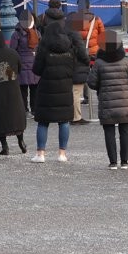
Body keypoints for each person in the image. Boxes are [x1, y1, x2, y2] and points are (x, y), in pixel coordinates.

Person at [87, 29, 128, 170]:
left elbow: (91, 83)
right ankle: (125, 161)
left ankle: (113, 162)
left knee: (109, 132)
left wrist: (101, 86)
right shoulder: (126, 61)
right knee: (125, 132)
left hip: (106, 102)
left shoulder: (98, 63)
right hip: (125, 101)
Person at [31, 18, 78, 163]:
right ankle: (62, 153)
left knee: (43, 122)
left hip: (46, 88)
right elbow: (74, 69)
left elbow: (36, 70)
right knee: (64, 121)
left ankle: (40, 154)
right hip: (64, 88)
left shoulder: (44, 49)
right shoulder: (70, 49)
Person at [66, 0, 104, 116]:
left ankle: (86, 96)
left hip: (80, 52)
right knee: (98, 75)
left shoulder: (74, 20)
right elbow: (102, 36)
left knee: (82, 73)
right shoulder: (96, 19)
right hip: (94, 51)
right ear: (89, 6)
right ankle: (100, 97)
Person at [10, 10, 41, 115]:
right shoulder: (37, 33)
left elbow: (12, 50)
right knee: (34, 89)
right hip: (34, 64)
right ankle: (35, 109)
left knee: (22, 90)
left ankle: (24, 110)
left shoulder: (16, 34)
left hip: (21, 64)